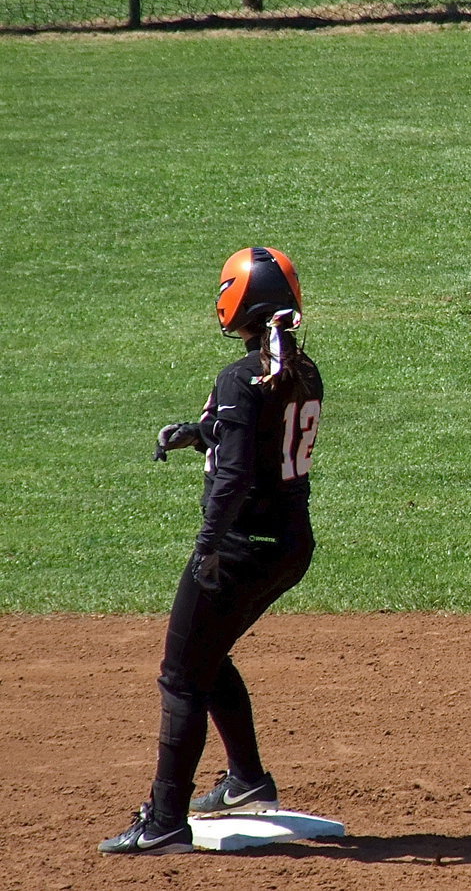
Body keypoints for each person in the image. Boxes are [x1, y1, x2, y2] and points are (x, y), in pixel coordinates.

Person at [99, 247, 324, 854]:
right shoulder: (301, 370)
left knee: (180, 676)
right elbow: (257, 436)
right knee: (208, 650)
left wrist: (207, 548)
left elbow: (233, 478)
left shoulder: (240, 377)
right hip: (290, 547)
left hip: (240, 548)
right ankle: (247, 780)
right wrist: (200, 432)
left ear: (238, 302)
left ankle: (165, 818)